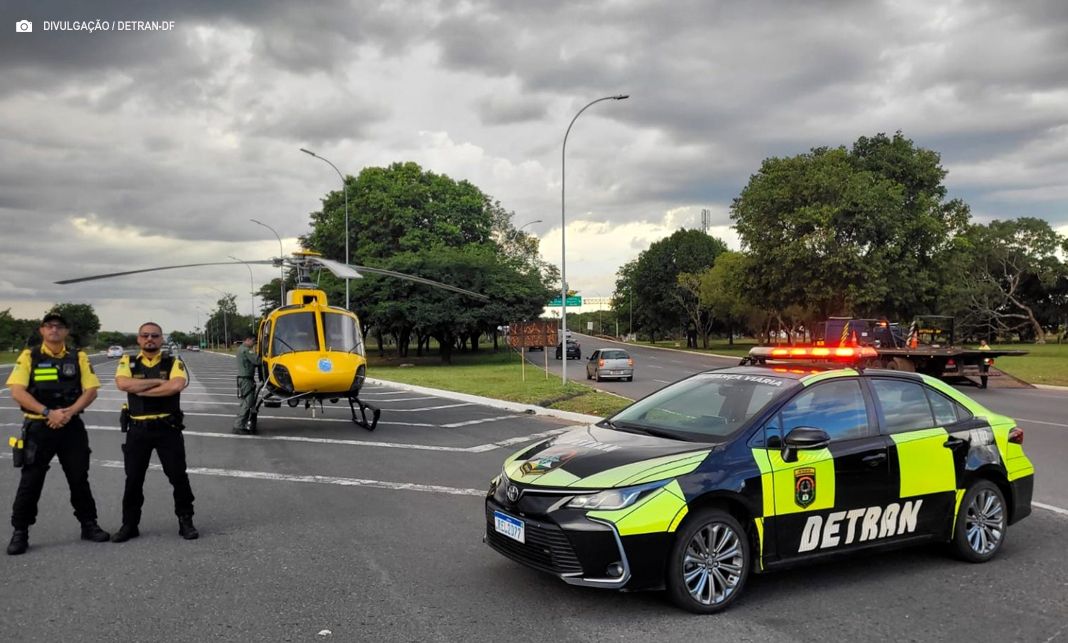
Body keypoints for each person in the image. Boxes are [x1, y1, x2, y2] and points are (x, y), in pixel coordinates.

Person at [5, 313, 110, 555]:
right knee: (31, 481)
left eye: (59, 326)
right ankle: (20, 531)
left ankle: (89, 524)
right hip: (38, 427)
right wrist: (47, 412)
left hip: (71, 427)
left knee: (79, 478)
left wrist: (68, 413)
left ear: (66, 331)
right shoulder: (29, 356)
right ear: (42, 330)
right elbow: (18, 392)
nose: (54, 329)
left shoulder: (78, 356)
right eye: (49, 326)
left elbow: (91, 390)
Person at [111, 322, 198, 543]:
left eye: (155, 335)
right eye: (145, 335)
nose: (150, 339)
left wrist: (140, 390)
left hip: (167, 429)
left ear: (161, 339)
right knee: (133, 479)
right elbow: (123, 384)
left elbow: (175, 386)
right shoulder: (128, 361)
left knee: (178, 477)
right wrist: (159, 382)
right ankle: (130, 524)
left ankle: (185, 520)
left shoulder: (174, 362)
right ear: (138, 339)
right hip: (137, 430)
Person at [234, 333, 260, 435]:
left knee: (246, 401)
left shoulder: (241, 349)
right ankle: (238, 426)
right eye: (253, 341)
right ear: (248, 340)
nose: (254, 343)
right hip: (246, 379)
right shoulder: (246, 350)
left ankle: (242, 424)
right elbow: (257, 361)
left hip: (244, 379)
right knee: (247, 402)